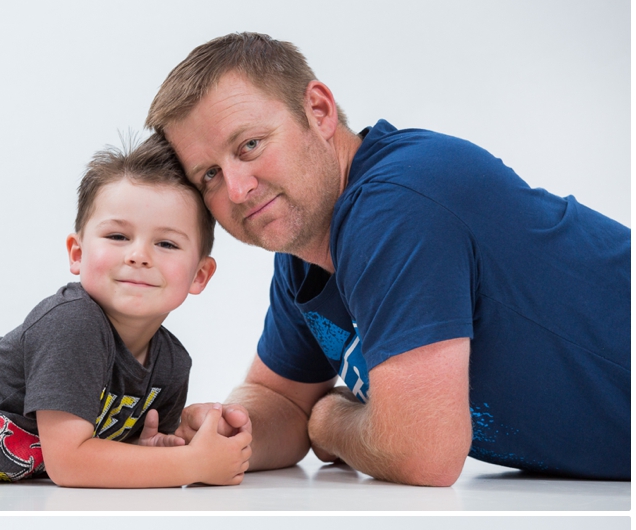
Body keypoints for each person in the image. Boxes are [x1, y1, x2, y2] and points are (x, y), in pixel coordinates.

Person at [146, 32, 631, 485]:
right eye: (209, 174)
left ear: (318, 111)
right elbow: (282, 400)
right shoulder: (306, 253)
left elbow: (423, 451)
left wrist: (330, 421)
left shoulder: (397, 204)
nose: (238, 188)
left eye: (249, 145)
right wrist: (221, 432)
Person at [0, 139, 251, 488]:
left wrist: (164, 447)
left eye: (166, 244)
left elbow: (114, 462)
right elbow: (70, 461)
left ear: (200, 274)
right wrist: (194, 464)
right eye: (117, 236)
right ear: (77, 253)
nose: (139, 255)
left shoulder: (172, 367)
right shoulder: (73, 322)